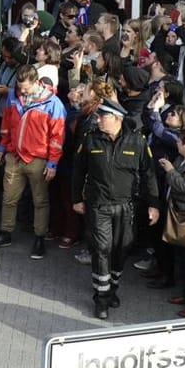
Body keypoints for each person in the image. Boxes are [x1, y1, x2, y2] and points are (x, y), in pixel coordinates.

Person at [71, 100, 158, 319]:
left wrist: (154, 205)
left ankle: (111, 289)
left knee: (121, 249)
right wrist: (76, 199)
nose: (98, 119)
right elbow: (78, 171)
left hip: (126, 207)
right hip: (98, 205)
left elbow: (148, 175)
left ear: (117, 119)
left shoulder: (137, 142)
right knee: (101, 248)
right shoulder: (90, 139)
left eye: (103, 116)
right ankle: (101, 299)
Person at [0, 65, 67, 259]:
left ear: (36, 82)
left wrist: (52, 163)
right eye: (20, 87)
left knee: (40, 201)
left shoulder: (53, 104)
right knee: (9, 198)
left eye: (25, 88)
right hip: (14, 156)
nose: (21, 91)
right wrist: (2, 147)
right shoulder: (14, 97)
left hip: (38, 159)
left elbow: (57, 137)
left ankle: (39, 238)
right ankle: (5, 233)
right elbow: (6, 125)